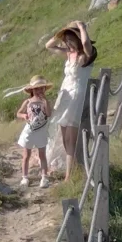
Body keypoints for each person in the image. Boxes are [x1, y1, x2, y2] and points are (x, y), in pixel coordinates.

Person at [44, 21, 97, 177]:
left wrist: (81, 27)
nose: (67, 43)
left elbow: (86, 44)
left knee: (70, 137)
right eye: (65, 40)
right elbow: (49, 45)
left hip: (75, 95)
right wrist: (64, 28)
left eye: (70, 39)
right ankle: (68, 169)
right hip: (65, 92)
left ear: (77, 38)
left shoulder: (86, 55)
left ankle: (69, 174)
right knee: (61, 131)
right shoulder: (68, 53)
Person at [16, 75, 54, 188]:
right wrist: (23, 115)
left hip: (41, 131)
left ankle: (44, 177)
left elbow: (48, 114)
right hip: (29, 130)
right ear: (32, 90)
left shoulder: (44, 102)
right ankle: (24, 177)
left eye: (42, 88)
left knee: (42, 154)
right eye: (37, 88)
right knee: (26, 154)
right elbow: (18, 113)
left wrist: (46, 101)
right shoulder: (27, 101)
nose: (39, 91)